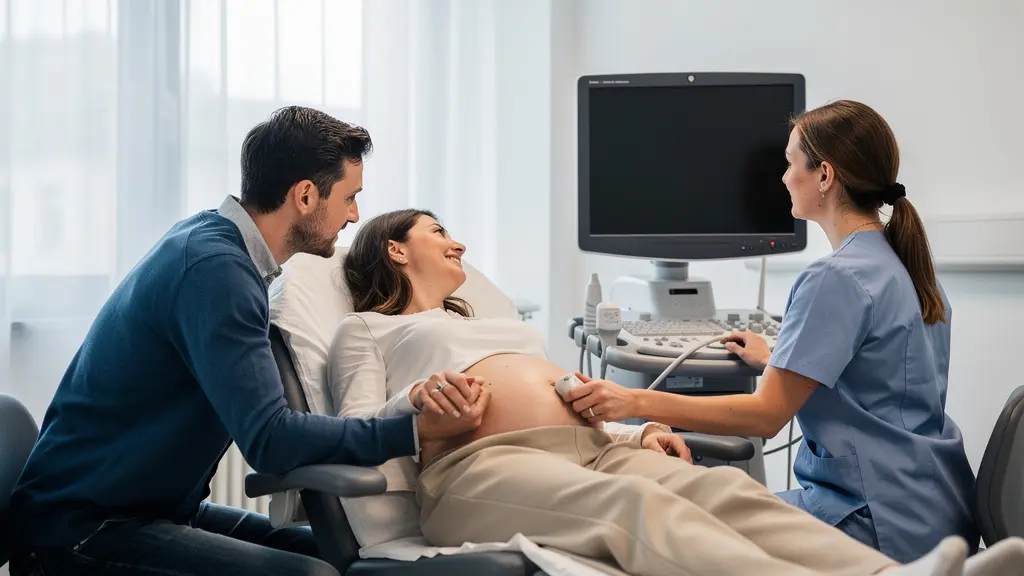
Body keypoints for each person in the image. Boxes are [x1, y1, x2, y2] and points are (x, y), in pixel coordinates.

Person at [327, 207, 1019, 576]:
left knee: (728, 491)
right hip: (480, 468)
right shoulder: (366, 331)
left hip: (590, 448)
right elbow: (355, 430)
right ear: (395, 248)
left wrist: (635, 430)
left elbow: (568, 395)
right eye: (440, 233)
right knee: (632, 505)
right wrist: (417, 408)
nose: (460, 246)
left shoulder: (502, 322)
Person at [8, 107, 483, 576]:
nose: (355, 216)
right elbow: (271, 439)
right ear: (304, 195)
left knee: (338, 558)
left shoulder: (214, 242)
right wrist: (413, 432)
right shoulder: (216, 270)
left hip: (145, 511)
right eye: (349, 198)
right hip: (81, 530)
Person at [560, 100, 979, 563]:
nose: (782, 177)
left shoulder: (835, 278)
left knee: (677, 525)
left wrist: (632, 401)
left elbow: (766, 417)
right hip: (937, 511)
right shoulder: (912, 267)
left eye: (790, 162)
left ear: (824, 176)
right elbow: (886, 376)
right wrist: (778, 358)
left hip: (872, 519)